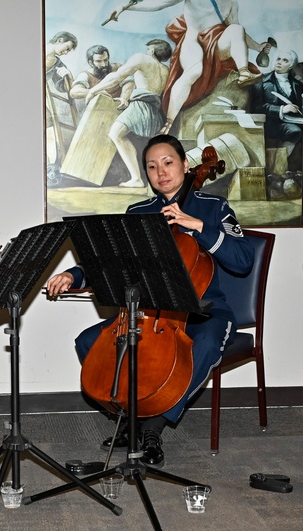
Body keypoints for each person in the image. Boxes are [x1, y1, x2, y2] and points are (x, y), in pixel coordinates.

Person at [46, 134, 254, 466]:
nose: (161, 172)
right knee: (89, 343)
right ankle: (132, 418)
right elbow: (110, 261)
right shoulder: (139, 212)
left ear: (186, 166)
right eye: (152, 166)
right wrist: (74, 276)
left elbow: (243, 261)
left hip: (204, 311)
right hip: (146, 313)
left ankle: (152, 426)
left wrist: (198, 226)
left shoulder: (213, 208)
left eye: (169, 163)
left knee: (207, 342)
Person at [105, 0, 271, 135]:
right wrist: (124, 6)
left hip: (215, 43)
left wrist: (258, 47)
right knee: (194, 71)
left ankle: (243, 73)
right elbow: (160, 3)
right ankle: (169, 122)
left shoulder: (231, 3)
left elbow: (237, 30)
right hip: (194, 40)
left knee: (236, 28)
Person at [85, 39, 173, 188]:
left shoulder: (142, 58)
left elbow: (117, 77)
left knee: (115, 134)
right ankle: (155, 180)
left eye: (148, 49)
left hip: (140, 106)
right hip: (154, 112)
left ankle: (136, 179)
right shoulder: (165, 70)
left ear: (151, 51)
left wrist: (93, 90)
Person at [258, 49, 303, 196]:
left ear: (291, 66)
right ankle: (276, 170)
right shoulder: (262, 82)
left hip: (293, 121)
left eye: (285, 60)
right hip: (270, 124)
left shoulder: (297, 85)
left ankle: (288, 174)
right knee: (294, 131)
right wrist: (282, 109)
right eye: (278, 59)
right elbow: (258, 107)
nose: (279, 62)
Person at [69, 44, 135, 110]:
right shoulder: (85, 75)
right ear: (91, 63)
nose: (103, 64)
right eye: (99, 61)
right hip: (101, 109)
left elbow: (129, 82)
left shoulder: (117, 68)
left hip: (122, 107)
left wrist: (123, 98)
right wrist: (97, 92)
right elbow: (74, 92)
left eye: (105, 60)